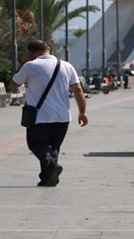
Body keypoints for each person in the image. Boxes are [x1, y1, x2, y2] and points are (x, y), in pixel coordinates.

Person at [11, 40, 88, 187]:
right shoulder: (67, 66)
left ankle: (51, 168)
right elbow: (78, 90)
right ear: (48, 50)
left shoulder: (31, 66)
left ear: (32, 53)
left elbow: (15, 83)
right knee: (53, 148)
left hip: (40, 116)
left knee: (36, 144)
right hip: (63, 116)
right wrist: (82, 112)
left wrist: (25, 63)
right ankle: (47, 178)